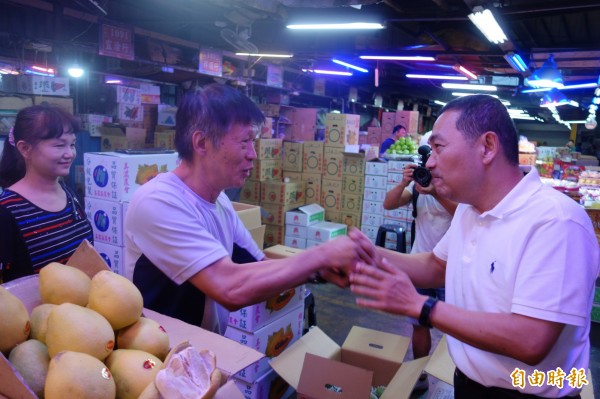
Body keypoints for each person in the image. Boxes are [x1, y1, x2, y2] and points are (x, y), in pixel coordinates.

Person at [349, 94, 599, 398]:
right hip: (468, 383)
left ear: (487, 147)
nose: (429, 162)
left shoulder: (556, 221)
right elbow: (435, 265)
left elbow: (531, 340)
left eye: (439, 147)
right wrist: (364, 253)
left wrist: (421, 306)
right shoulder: (470, 208)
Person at [124, 83, 374, 334]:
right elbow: (229, 287)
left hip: (199, 350)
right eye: (245, 142)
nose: (253, 154)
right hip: (155, 356)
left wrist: (319, 270)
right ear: (201, 143)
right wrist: (320, 256)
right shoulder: (158, 202)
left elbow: (257, 265)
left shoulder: (219, 201)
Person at [382, 131, 457, 391]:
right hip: (420, 265)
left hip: (451, 269)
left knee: (457, 331)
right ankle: (420, 373)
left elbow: (463, 214)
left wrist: (436, 192)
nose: (430, 165)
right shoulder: (417, 188)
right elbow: (388, 204)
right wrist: (404, 184)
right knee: (419, 325)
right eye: (426, 158)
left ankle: (455, 378)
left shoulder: (456, 186)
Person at [0, 105, 93, 283]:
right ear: (25, 149)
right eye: (59, 145)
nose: (70, 154)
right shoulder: (7, 211)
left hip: (80, 306)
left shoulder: (70, 195)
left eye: (72, 144)